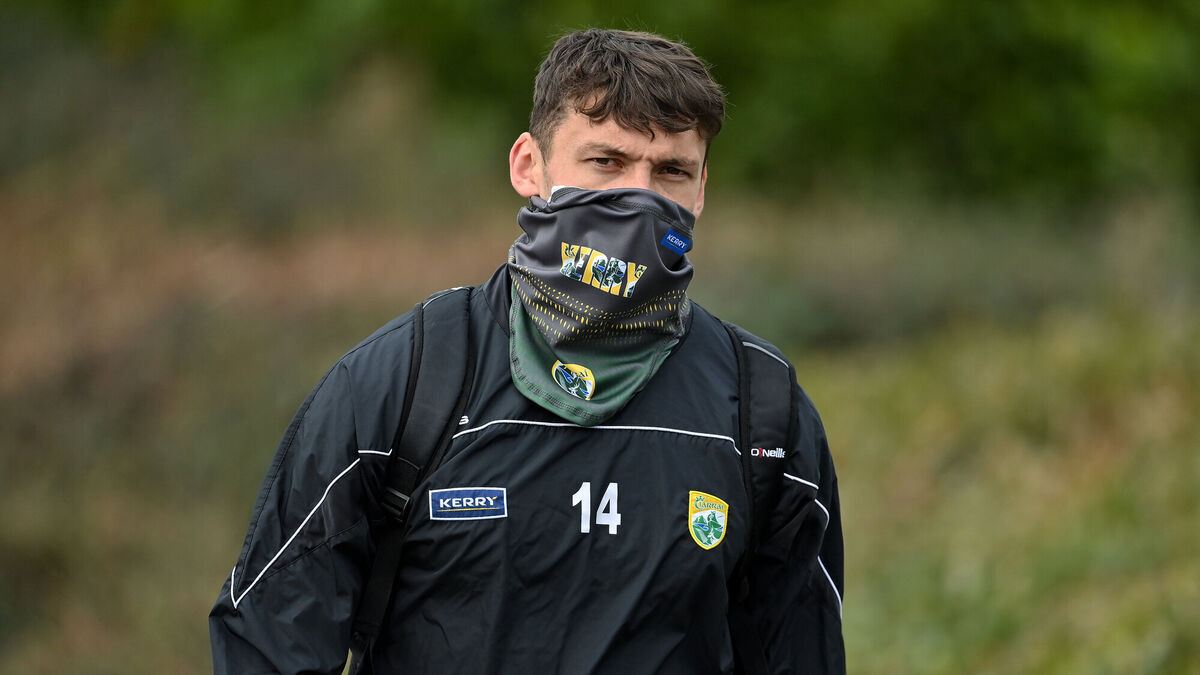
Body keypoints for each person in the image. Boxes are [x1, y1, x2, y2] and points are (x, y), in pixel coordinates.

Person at [210, 28, 845, 674]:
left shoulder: (763, 412)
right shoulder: (403, 382)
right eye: (606, 161)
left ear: (701, 189)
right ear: (527, 166)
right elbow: (269, 641)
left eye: (671, 171)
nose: (640, 197)